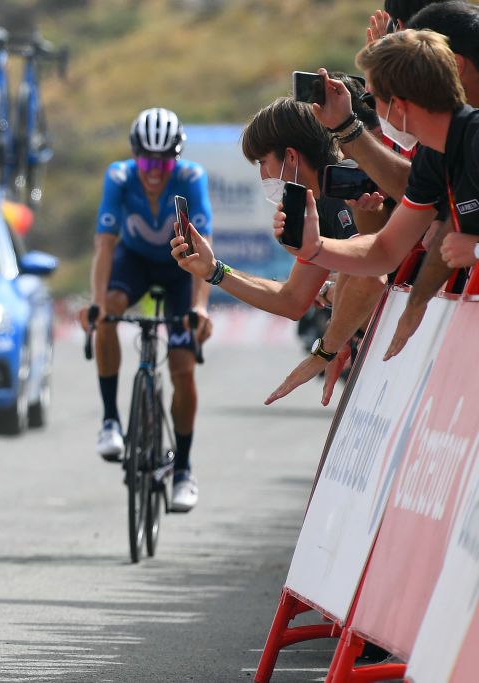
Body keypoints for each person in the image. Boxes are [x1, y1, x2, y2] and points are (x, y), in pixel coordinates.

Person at [275, 30, 479, 361]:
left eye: (372, 100)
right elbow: (385, 248)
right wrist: (317, 248)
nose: (372, 112)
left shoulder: (474, 141)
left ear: (397, 105)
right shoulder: (432, 157)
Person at [169, 97, 385, 405]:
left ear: (292, 158)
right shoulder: (319, 202)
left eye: (262, 162)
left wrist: (324, 350)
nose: (261, 174)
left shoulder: (344, 186)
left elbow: (372, 281)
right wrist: (215, 270)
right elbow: (293, 299)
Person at [86, 107, 212, 513]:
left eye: (163, 162)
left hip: (180, 268)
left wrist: (199, 306)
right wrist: (96, 305)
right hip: (134, 262)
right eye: (145, 161)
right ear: (133, 156)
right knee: (108, 310)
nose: (154, 171)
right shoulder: (118, 177)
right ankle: (110, 421)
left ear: (174, 159)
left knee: (182, 366)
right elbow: (105, 246)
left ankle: (184, 470)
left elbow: (202, 249)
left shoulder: (190, 179)